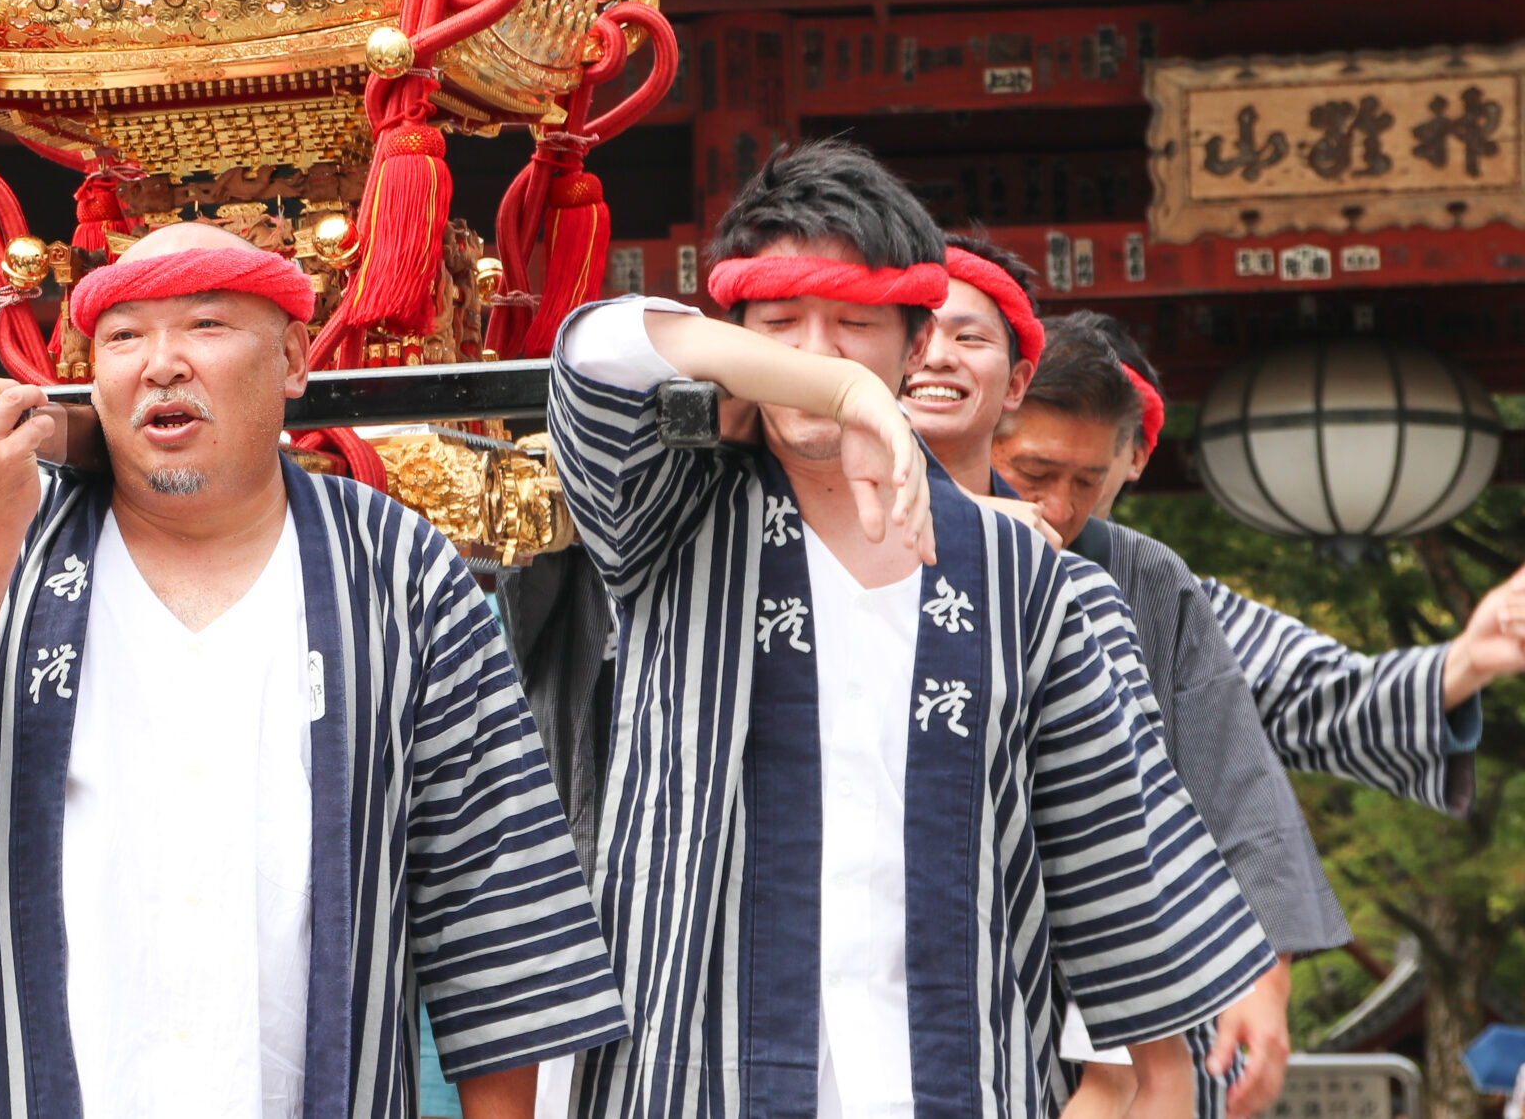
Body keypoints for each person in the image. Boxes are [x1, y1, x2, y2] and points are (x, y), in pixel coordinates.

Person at [0, 222, 628, 1118]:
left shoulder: (397, 568)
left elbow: (495, 912)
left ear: (294, 357)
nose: (160, 364)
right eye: (124, 337)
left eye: (206, 326)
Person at [544, 140, 1275, 1119]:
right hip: (700, 1075)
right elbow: (597, 346)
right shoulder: (664, 525)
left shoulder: (1024, 576)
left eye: (852, 325)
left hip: (946, 1077)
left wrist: (1162, 1073)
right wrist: (842, 392)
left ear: (915, 340)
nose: (812, 352)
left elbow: (1108, 848)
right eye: (778, 325)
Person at [910, 254, 1342, 1119]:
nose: (1062, 506)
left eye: (1086, 481)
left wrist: (1269, 964)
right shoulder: (850, 533)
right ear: (995, 420)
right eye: (1037, 475)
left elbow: (1228, 773)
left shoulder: (1132, 574)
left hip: (1102, 940)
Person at [1076, 316, 1525, 817]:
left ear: (1135, 453)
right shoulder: (972, 558)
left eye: (1085, 453)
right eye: (1035, 461)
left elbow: (1320, 695)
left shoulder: (1164, 601)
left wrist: (1468, 661)